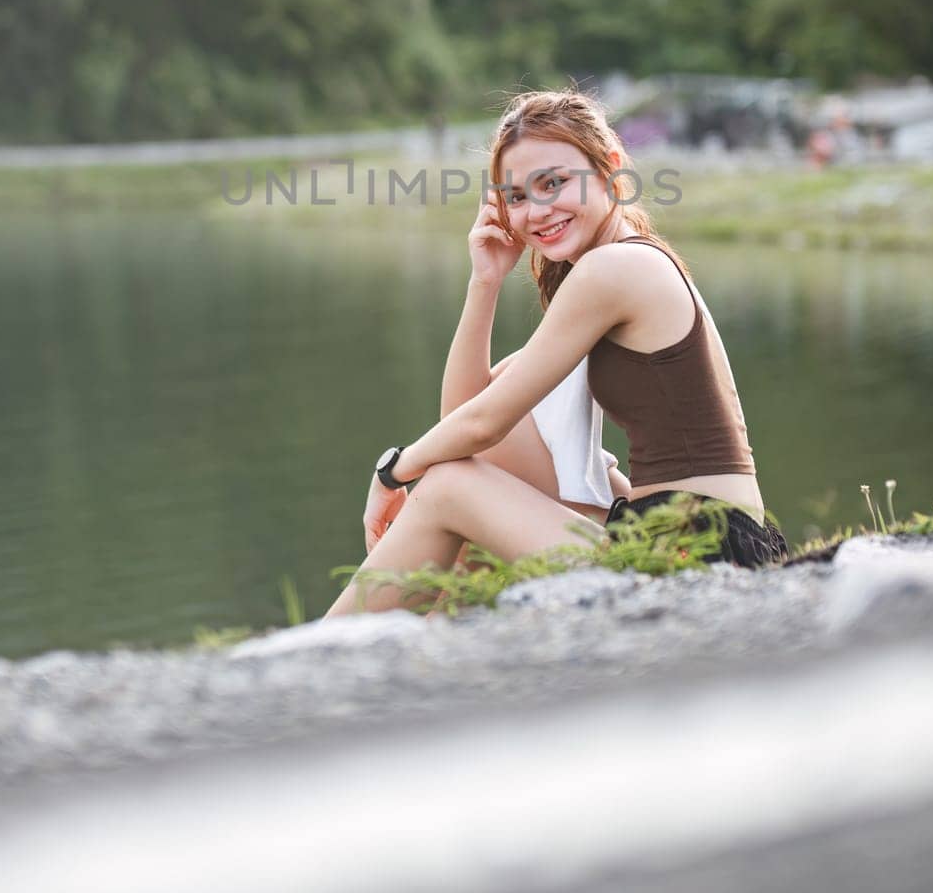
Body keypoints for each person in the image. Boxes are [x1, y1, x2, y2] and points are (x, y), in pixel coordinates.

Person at [326, 88, 786, 616]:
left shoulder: (614, 271)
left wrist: (391, 474)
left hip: (703, 552)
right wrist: (485, 283)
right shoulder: (612, 265)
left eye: (554, 183)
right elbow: (466, 420)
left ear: (610, 168)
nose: (536, 211)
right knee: (464, 478)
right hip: (680, 534)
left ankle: (315, 658)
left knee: (448, 486)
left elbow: (479, 428)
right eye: (516, 197)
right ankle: (410, 650)